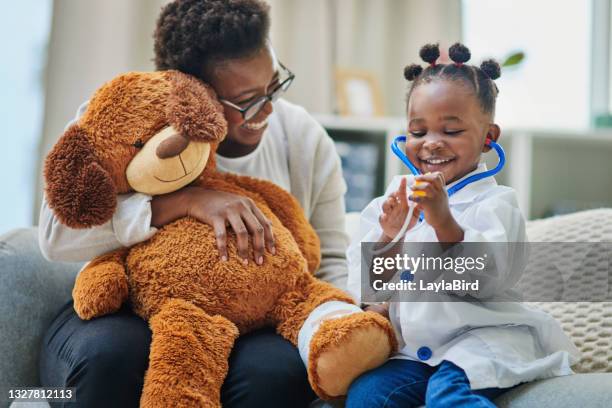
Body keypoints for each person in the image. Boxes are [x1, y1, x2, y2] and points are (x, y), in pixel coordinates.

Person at [38, 1, 349, 407]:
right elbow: (54, 237)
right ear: (190, 90)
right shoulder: (123, 116)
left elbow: (331, 258)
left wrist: (340, 322)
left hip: (251, 318)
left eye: (274, 84)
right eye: (248, 100)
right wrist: (182, 202)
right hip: (124, 303)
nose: (269, 108)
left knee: (272, 377)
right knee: (111, 357)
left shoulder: (302, 139)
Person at [345, 43, 580, 408]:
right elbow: (369, 291)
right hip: (413, 354)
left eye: (451, 131)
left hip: (481, 342)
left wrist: (444, 223)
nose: (432, 143)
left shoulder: (497, 205)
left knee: (448, 397)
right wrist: (391, 236)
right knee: (367, 397)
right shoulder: (391, 201)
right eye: (418, 132)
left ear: (489, 137)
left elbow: (484, 279)